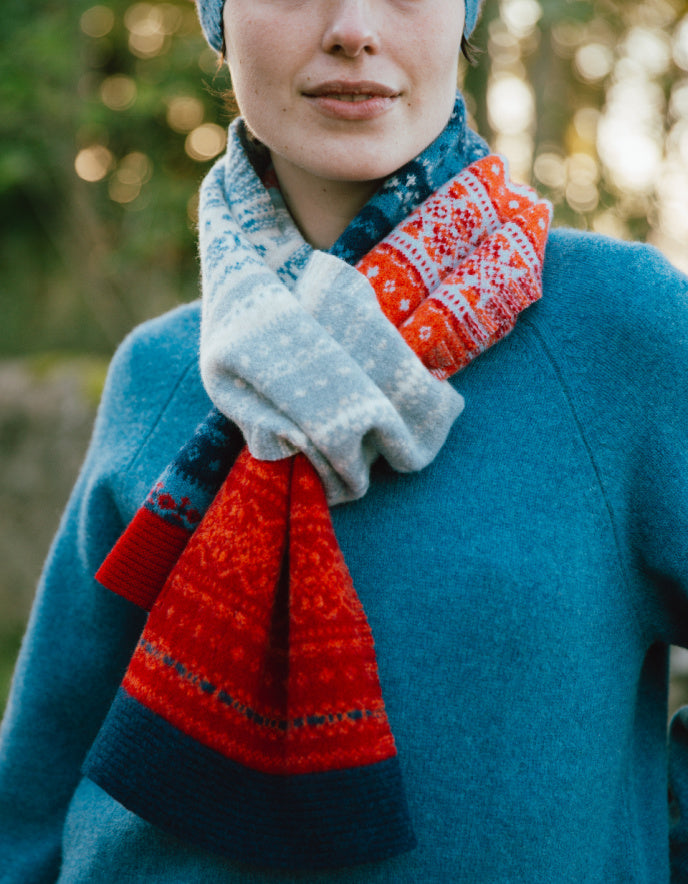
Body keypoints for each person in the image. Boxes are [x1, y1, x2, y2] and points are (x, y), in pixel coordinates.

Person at [1, 0, 688, 880]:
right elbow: (34, 794)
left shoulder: (620, 335)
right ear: (219, 22)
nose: (353, 26)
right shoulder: (160, 372)